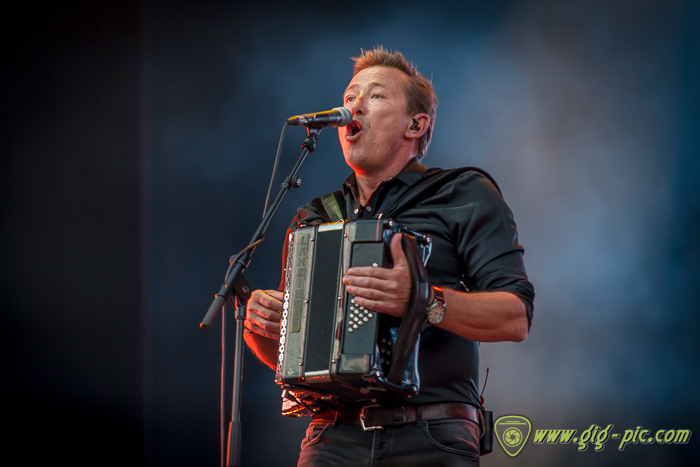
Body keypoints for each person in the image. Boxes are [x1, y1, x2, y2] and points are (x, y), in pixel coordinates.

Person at [244, 47, 535, 467]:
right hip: (331, 438)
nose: (354, 105)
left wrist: (421, 300)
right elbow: (295, 360)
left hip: (431, 435)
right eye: (350, 97)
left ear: (416, 125)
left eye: (376, 95)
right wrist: (265, 329)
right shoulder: (315, 217)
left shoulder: (461, 192)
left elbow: (515, 317)